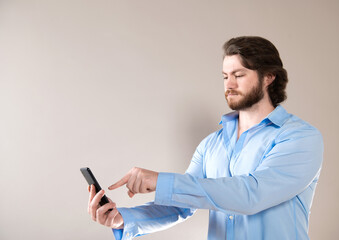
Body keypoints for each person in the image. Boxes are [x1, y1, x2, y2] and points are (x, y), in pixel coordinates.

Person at [87, 36, 324, 240]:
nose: (229, 85)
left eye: (239, 75)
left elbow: (252, 195)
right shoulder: (212, 144)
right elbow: (182, 204)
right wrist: (122, 219)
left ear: (269, 77)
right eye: (225, 76)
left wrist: (162, 181)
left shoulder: (300, 138)